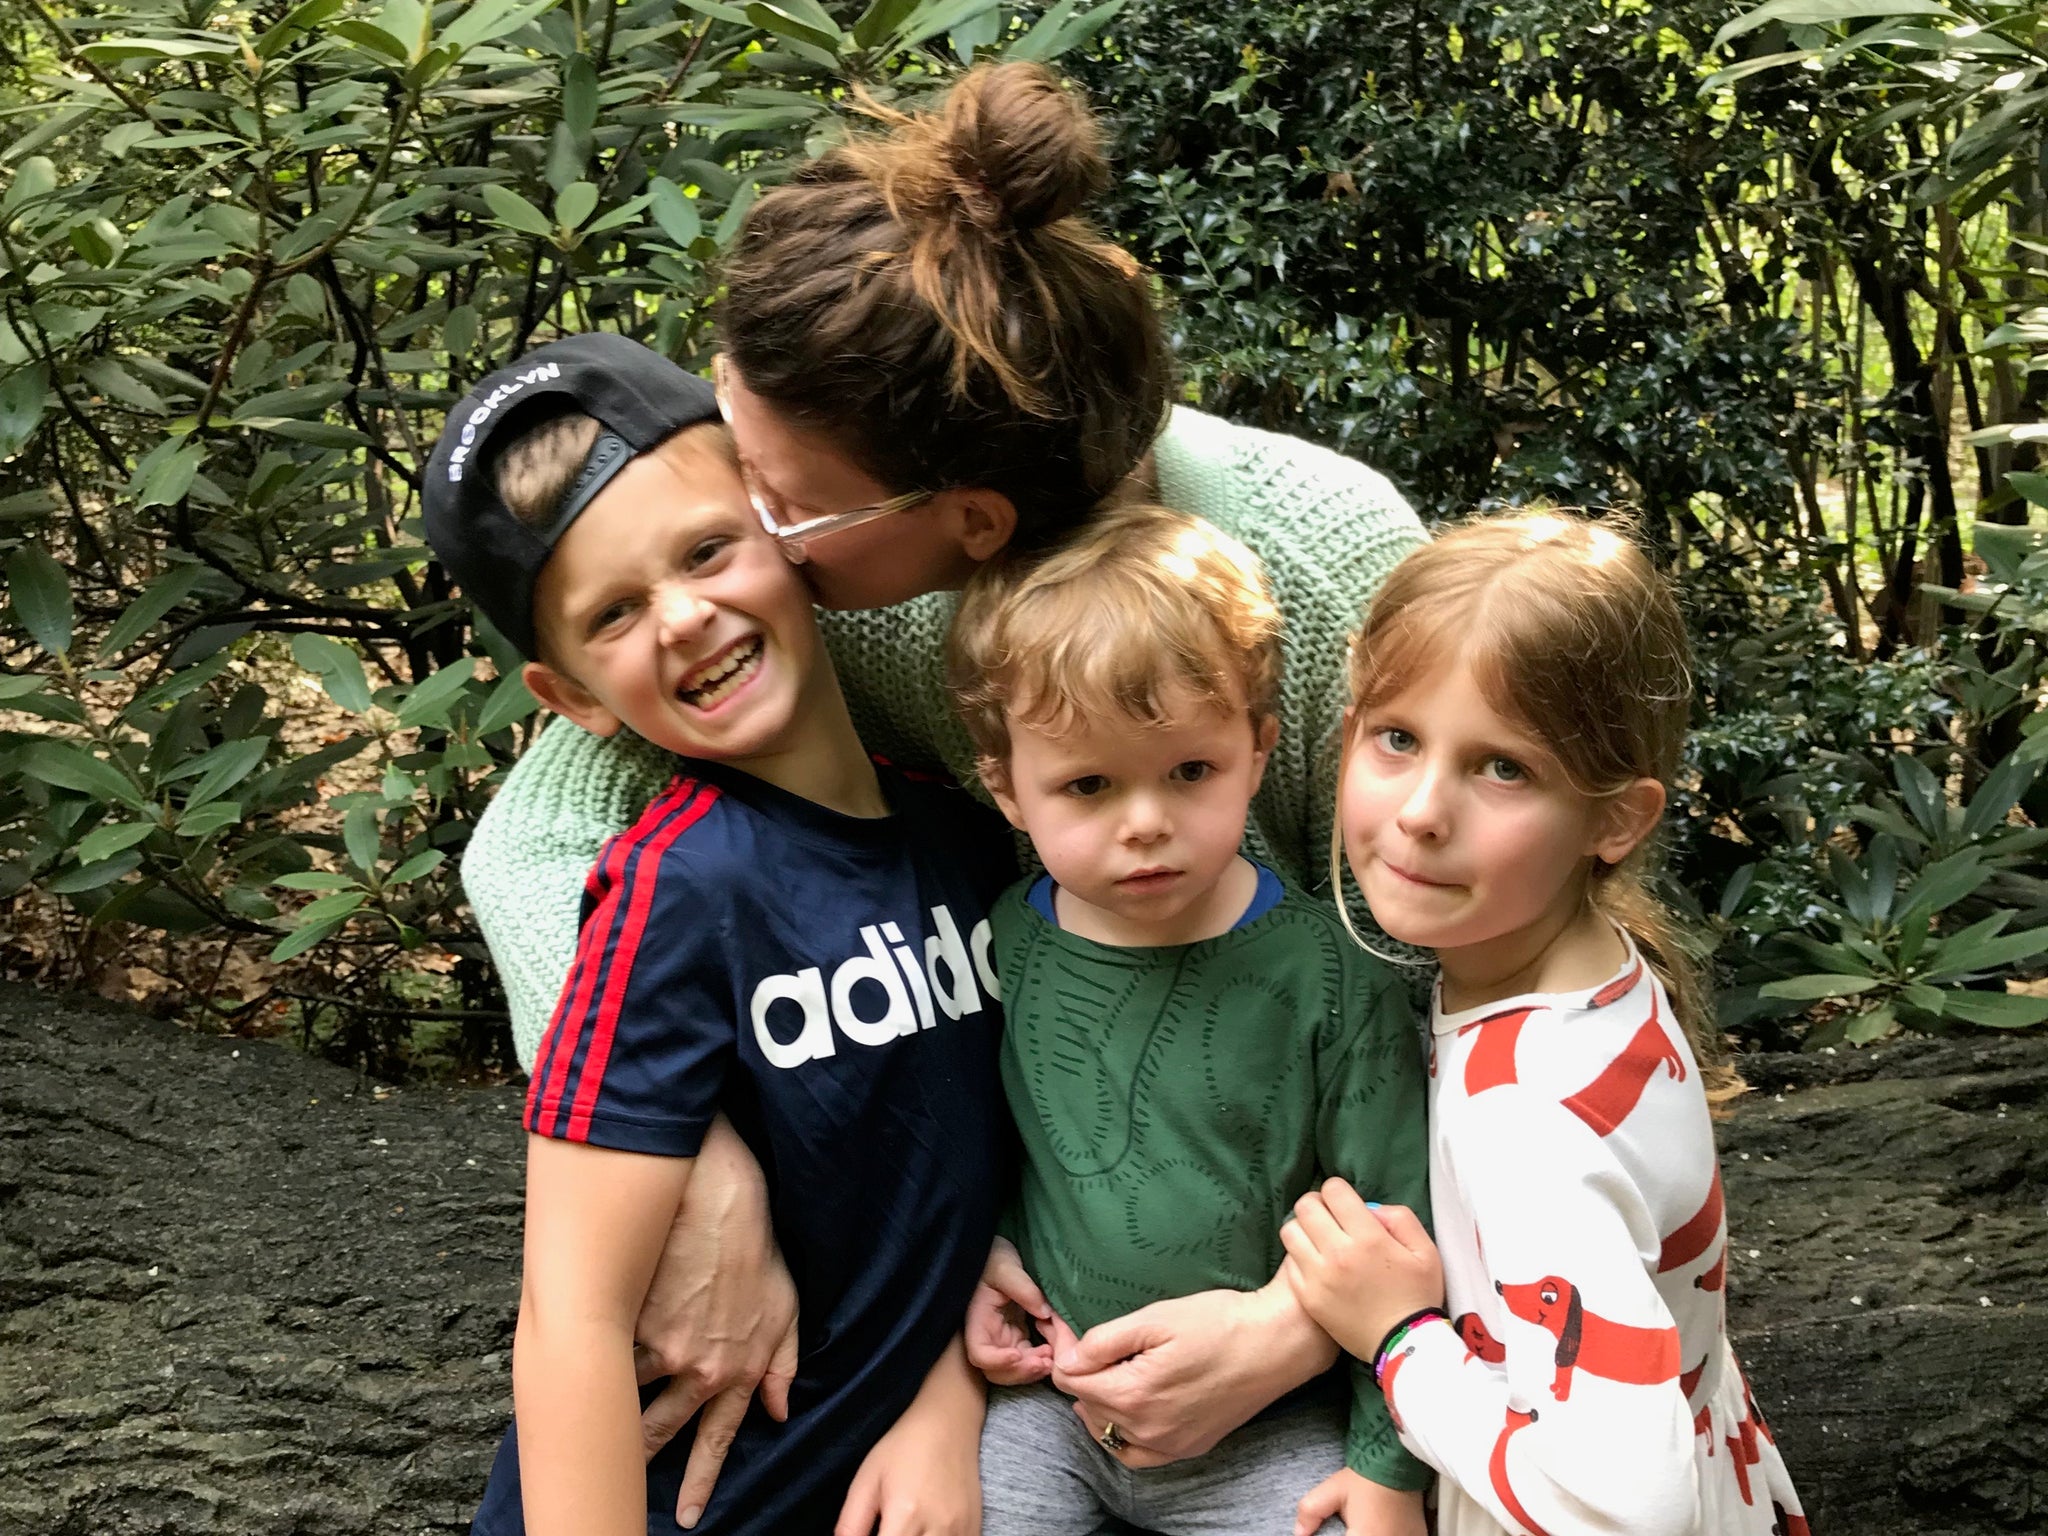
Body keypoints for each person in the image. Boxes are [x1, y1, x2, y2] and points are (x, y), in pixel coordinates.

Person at [457, 60, 1429, 1504]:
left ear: (968, 526)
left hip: (1343, 1290)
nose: (753, 553)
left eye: (778, 508)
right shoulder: (820, 606)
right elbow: (535, 845)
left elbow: (1473, 1002)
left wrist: (1306, 1329)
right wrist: (696, 1169)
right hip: (1039, 1330)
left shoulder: (1313, 566)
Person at [423, 333, 1015, 1536]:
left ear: (787, 539)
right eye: (616, 613)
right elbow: (571, 1314)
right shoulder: (669, 890)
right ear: (575, 699)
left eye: (706, 551)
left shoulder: (973, 842)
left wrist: (946, 1397)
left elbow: (981, 1196)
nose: (685, 617)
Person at [1279, 513, 1808, 1536]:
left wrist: (1398, 1341)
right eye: (1397, 738)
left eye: (1502, 768)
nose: (1422, 809)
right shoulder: (1587, 973)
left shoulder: (1526, 1125)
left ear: (1614, 820)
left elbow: (1630, 1509)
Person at [944, 505, 1432, 1536]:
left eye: (1188, 771)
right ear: (1007, 790)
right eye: (1086, 783)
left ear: (1256, 751)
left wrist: (1386, 1465)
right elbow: (987, 1145)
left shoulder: (1330, 972)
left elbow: (1396, 1215)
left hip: (1268, 1419)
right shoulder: (1005, 945)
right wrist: (980, 1259)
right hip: (1051, 1406)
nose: (1146, 821)